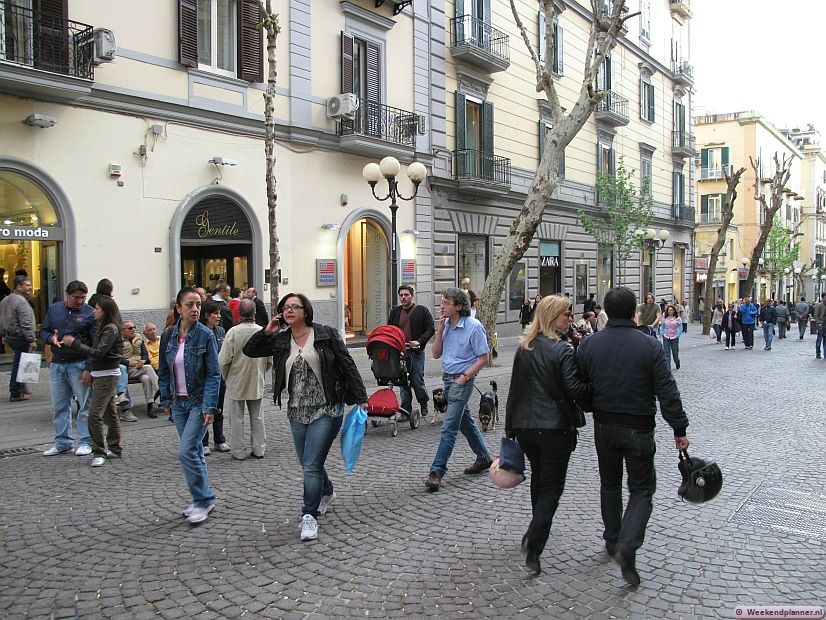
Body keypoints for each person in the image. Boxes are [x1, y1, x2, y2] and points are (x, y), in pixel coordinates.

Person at [577, 286, 689, 587]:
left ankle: (613, 540)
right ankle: (628, 543)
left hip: (604, 426)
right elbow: (667, 390)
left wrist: (592, 405)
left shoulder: (589, 345)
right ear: (634, 312)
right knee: (641, 489)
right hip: (639, 427)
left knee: (610, 485)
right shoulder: (649, 345)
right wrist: (679, 428)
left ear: (606, 311)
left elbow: (580, 388)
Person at [243, 293, 367, 542]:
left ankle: (308, 516)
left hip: (327, 408)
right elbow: (250, 350)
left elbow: (347, 364)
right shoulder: (281, 340)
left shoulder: (325, 334)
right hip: (297, 411)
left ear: (306, 311)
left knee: (310, 464)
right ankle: (328, 492)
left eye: (294, 307)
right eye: (285, 308)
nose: (289, 310)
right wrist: (267, 330)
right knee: (308, 462)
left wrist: (360, 397)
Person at [505, 295, 588, 575]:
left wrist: (510, 426)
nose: (571, 319)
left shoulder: (525, 347)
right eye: (567, 315)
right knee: (551, 487)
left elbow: (514, 391)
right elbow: (574, 389)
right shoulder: (563, 350)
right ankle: (535, 541)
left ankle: (534, 528)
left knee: (539, 479)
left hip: (526, 427)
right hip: (555, 429)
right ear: (552, 317)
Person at [157, 287, 221, 525]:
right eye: (190, 305)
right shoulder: (168, 335)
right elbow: (164, 370)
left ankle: (203, 499)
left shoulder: (205, 335)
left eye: (198, 304)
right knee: (193, 452)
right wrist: (166, 399)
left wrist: (209, 407)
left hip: (198, 402)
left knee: (186, 452)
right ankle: (203, 500)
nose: (195, 309)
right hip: (179, 402)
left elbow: (214, 374)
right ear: (178, 308)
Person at [424, 287, 494, 492]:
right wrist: (440, 330)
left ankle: (436, 472)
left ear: (459, 306)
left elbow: (484, 358)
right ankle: (484, 458)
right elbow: (436, 354)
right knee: (466, 423)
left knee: (449, 427)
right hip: (448, 380)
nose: (441, 305)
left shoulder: (473, 326)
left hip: (462, 382)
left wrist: (465, 377)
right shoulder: (446, 325)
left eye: (446, 302)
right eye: (442, 301)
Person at [61, 296, 124, 467]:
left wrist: (74, 344)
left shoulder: (110, 329)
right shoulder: (103, 327)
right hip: (102, 373)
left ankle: (99, 450)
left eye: (97, 308)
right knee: (109, 412)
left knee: (94, 414)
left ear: (105, 310)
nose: (94, 311)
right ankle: (115, 447)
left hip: (107, 375)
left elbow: (98, 352)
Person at [41, 281, 96, 457]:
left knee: (84, 405)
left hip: (79, 363)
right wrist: (51, 338)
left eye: (83, 298)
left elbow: (93, 343)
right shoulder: (54, 309)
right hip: (58, 363)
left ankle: (86, 441)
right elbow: (43, 331)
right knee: (59, 405)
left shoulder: (89, 312)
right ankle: (62, 442)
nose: (80, 301)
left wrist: (89, 367)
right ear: (67, 295)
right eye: (76, 298)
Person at [219, 299, 272, 460]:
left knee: (236, 417)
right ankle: (259, 448)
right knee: (257, 416)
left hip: (236, 378)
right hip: (256, 378)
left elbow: (223, 360)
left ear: (239, 314)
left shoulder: (233, 333)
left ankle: (238, 450)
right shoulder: (262, 331)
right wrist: (262, 372)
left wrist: (227, 376)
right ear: (254, 314)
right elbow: (270, 359)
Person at [388, 285, 435, 419]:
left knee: (416, 380)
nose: (403, 297)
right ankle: (405, 410)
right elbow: (389, 329)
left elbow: (430, 329)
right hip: (400, 352)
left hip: (416, 352)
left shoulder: (422, 311)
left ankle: (423, 401)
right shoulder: (395, 312)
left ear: (412, 295)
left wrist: (419, 341)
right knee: (403, 382)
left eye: (406, 295)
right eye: (401, 295)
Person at [0, 275, 37, 402]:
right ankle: (16, 392)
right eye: (27, 285)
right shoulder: (20, 301)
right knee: (21, 364)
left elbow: (3, 319)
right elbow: (25, 322)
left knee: (21, 362)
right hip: (20, 337)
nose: (30, 287)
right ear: (19, 286)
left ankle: (22, 388)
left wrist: (4, 335)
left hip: (11, 336)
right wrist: (31, 339)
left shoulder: (6, 300)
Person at [199, 300, 228, 454]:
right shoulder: (200, 332)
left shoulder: (221, 331)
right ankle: (204, 442)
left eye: (219, 313)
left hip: (219, 376)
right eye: (215, 313)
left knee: (219, 409)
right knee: (205, 409)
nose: (218, 316)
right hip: (204, 377)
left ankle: (219, 439)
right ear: (206, 315)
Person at [121, 319, 161, 417]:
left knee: (146, 378)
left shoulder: (138, 338)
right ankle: (161, 391)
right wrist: (132, 363)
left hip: (140, 367)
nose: (133, 330)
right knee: (148, 368)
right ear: (122, 330)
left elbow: (145, 354)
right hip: (127, 370)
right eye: (130, 328)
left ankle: (150, 406)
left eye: (134, 327)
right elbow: (117, 358)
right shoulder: (118, 341)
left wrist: (143, 361)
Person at [660, 305, 683, 369]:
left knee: (675, 353)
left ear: (674, 311)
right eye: (669, 310)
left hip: (674, 337)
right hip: (666, 337)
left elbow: (681, 328)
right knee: (667, 353)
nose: (670, 311)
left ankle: (677, 362)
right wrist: (662, 333)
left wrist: (678, 335)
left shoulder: (677, 319)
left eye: (671, 310)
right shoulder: (665, 318)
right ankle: (668, 367)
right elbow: (662, 327)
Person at [813, 292, 826, 358]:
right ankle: (818, 353)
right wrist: (818, 322)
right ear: (823, 297)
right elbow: (816, 315)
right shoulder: (819, 305)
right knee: (819, 339)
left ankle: (825, 354)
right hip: (821, 324)